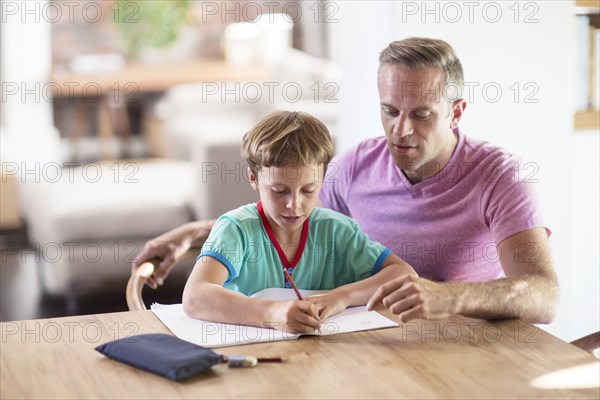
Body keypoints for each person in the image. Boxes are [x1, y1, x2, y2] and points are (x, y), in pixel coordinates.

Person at [133, 37, 559, 324]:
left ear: (457, 112)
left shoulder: (501, 176)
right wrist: (194, 236)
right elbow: (291, 217)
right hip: (376, 342)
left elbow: (544, 296)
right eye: (390, 111)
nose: (401, 130)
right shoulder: (358, 164)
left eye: (421, 115)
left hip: (469, 346)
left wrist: (447, 297)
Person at [181, 110, 416, 333]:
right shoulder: (236, 229)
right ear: (253, 178)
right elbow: (195, 296)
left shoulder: (337, 231)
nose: (294, 204)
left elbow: (403, 274)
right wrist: (273, 313)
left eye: (308, 190)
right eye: (279, 190)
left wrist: (341, 297)